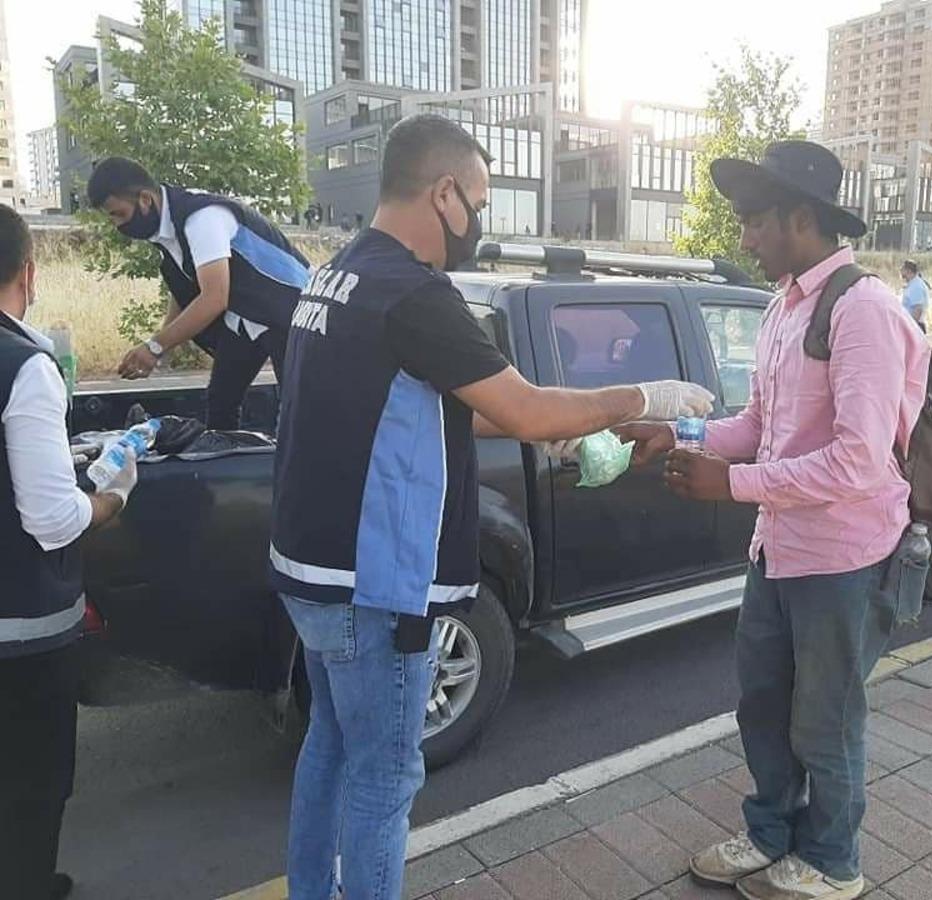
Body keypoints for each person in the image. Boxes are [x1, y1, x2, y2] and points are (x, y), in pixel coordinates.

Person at [269, 113, 713, 900]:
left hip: (313, 572)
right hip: (376, 586)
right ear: (442, 193)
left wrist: (561, 432)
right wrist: (647, 395)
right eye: (477, 200)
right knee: (385, 776)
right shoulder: (415, 293)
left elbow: (441, 403)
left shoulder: (337, 275)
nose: (479, 221)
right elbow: (528, 408)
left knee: (330, 750)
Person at [618, 141, 930, 900]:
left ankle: (832, 861)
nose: (746, 238)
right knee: (761, 702)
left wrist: (734, 486)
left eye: (756, 222)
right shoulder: (780, 309)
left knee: (824, 718)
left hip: (845, 557)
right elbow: (758, 424)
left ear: (802, 217)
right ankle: (768, 834)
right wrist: (682, 436)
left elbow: (859, 461)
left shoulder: (866, 312)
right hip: (779, 549)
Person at [0, 206, 140, 900]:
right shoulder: (24, 367)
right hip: (21, 636)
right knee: (30, 786)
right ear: (28, 272)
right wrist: (110, 496)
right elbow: (54, 519)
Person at [87, 158, 311, 429]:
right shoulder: (167, 230)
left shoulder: (201, 218)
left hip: (290, 312)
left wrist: (155, 346)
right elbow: (185, 291)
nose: (116, 225)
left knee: (296, 413)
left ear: (145, 199)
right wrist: (160, 346)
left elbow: (215, 297)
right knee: (220, 401)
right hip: (248, 316)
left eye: (119, 214)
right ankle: (225, 461)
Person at [900, 259, 929, 333]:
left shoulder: (916, 286)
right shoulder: (912, 285)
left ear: (908, 271)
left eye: (902, 269)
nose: (900, 271)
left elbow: (918, 309)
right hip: (912, 325)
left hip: (915, 326)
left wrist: (910, 328)